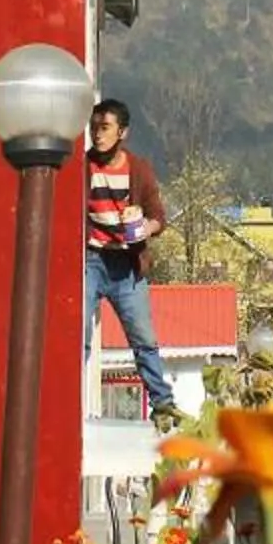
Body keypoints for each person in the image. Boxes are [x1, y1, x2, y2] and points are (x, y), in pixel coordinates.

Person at [84, 98, 179, 429]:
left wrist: (142, 227)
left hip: (127, 264)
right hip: (91, 260)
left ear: (122, 132)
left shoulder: (139, 169)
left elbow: (159, 218)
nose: (97, 134)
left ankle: (163, 404)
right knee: (77, 333)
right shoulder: (82, 168)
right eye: (94, 127)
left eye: (105, 127)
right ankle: (67, 401)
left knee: (143, 338)